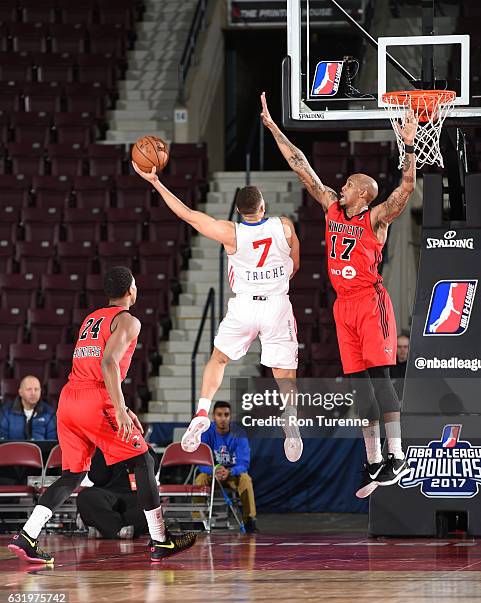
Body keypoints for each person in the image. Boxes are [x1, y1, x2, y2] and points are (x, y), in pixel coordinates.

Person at [261, 91, 415, 498]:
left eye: (349, 185)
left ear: (364, 194)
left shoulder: (377, 218)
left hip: (370, 301)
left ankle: (397, 455)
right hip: (343, 305)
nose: (341, 187)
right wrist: (276, 129)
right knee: (359, 385)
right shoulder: (331, 207)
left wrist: (411, 146)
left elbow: (407, 186)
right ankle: (373, 460)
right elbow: (303, 168)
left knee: (380, 378)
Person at [7, 267, 196, 564]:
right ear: (131, 291)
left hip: (70, 399)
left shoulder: (91, 318)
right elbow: (108, 363)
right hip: (96, 398)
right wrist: (119, 408)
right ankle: (161, 539)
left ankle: (28, 535)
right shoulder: (129, 321)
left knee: (72, 475)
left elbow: (95, 365)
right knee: (143, 459)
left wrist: (125, 408)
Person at [132, 163, 303, 462]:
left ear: (238, 211)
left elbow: (186, 214)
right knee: (283, 371)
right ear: (263, 206)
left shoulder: (229, 232)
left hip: (244, 304)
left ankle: (201, 410)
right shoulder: (285, 225)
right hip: (276, 303)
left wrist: (156, 182)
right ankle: (290, 417)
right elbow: (296, 265)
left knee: (219, 359)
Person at [195, 400, 258, 533]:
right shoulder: (206, 432)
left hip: (231, 474)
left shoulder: (239, 434)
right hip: (212, 474)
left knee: (246, 480)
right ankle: (198, 520)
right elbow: (201, 462)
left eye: (226, 414)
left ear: (230, 416)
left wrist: (230, 471)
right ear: (213, 416)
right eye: (219, 415)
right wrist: (214, 469)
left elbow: (244, 463)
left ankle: (249, 520)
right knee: (200, 480)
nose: (223, 418)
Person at [77, 446, 160, 540]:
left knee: (150, 510)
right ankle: (118, 530)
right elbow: (98, 477)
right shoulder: (101, 447)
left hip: (134, 497)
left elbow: (149, 474)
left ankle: (104, 528)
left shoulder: (144, 448)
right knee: (86, 497)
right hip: (105, 495)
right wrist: (105, 451)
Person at [0, 376, 56, 441]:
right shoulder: (6, 411)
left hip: (41, 451)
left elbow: (52, 442)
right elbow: (2, 441)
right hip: (13, 450)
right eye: (29, 389)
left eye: (36, 389)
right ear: (20, 392)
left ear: (41, 391)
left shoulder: (49, 413)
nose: (33, 393)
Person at [390, 333, 410, 400]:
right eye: (399, 347)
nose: (402, 350)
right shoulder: (389, 366)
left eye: (405, 347)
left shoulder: (414, 365)